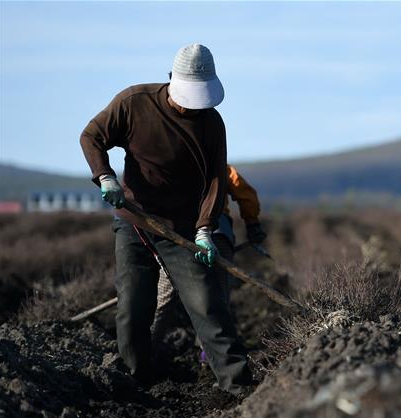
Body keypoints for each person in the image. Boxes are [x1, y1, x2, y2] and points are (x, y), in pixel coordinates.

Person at [80, 43, 254, 395]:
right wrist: (106, 177)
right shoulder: (134, 103)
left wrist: (205, 229)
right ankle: (137, 380)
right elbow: (92, 136)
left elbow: (217, 182)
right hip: (135, 219)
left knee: (206, 303)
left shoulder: (211, 125)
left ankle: (240, 388)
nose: (192, 106)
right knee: (133, 304)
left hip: (184, 228)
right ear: (171, 79)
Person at [153, 165, 267, 357]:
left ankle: (146, 345)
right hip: (217, 234)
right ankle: (212, 354)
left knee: (164, 296)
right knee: (218, 297)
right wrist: (252, 223)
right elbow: (246, 195)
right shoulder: (220, 167)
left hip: (178, 236)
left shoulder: (169, 163)